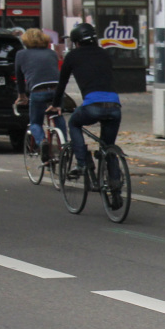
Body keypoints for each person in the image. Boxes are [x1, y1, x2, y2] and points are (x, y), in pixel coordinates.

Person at [46, 23, 123, 204]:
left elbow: (62, 83)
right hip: (114, 106)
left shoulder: (72, 56)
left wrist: (56, 104)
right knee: (108, 146)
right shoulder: (105, 54)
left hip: (92, 105)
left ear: (76, 42)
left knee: (74, 123)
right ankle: (116, 188)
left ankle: (82, 163)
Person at [13, 28, 62, 155]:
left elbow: (19, 78)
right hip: (56, 89)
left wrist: (22, 96)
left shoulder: (21, 54)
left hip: (37, 90)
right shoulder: (51, 53)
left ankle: (42, 142)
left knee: (35, 123)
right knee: (57, 114)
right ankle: (65, 143)